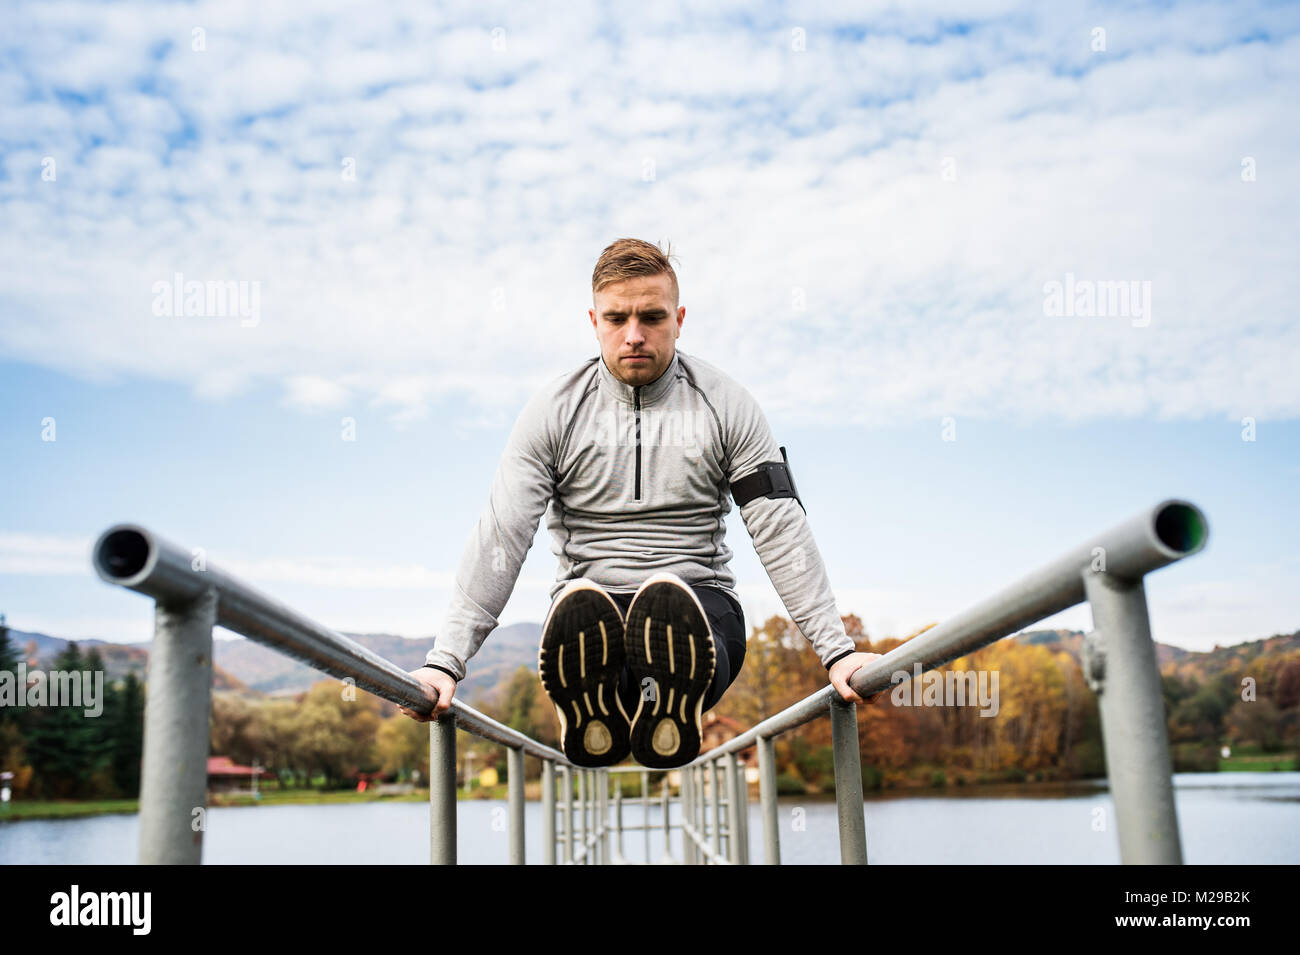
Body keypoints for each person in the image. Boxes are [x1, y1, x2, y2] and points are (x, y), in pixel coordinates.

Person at [399, 238, 881, 766]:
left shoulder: (727, 405)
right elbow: (501, 536)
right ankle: (603, 707)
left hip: (701, 610)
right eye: (617, 318)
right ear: (593, 320)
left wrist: (837, 653)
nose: (634, 335)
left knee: (676, 617)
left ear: (679, 319)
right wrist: (445, 662)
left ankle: (666, 701)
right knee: (592, 626)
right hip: (588, 619)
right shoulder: (553, 413)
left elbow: (779, 528)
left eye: (651, 317)